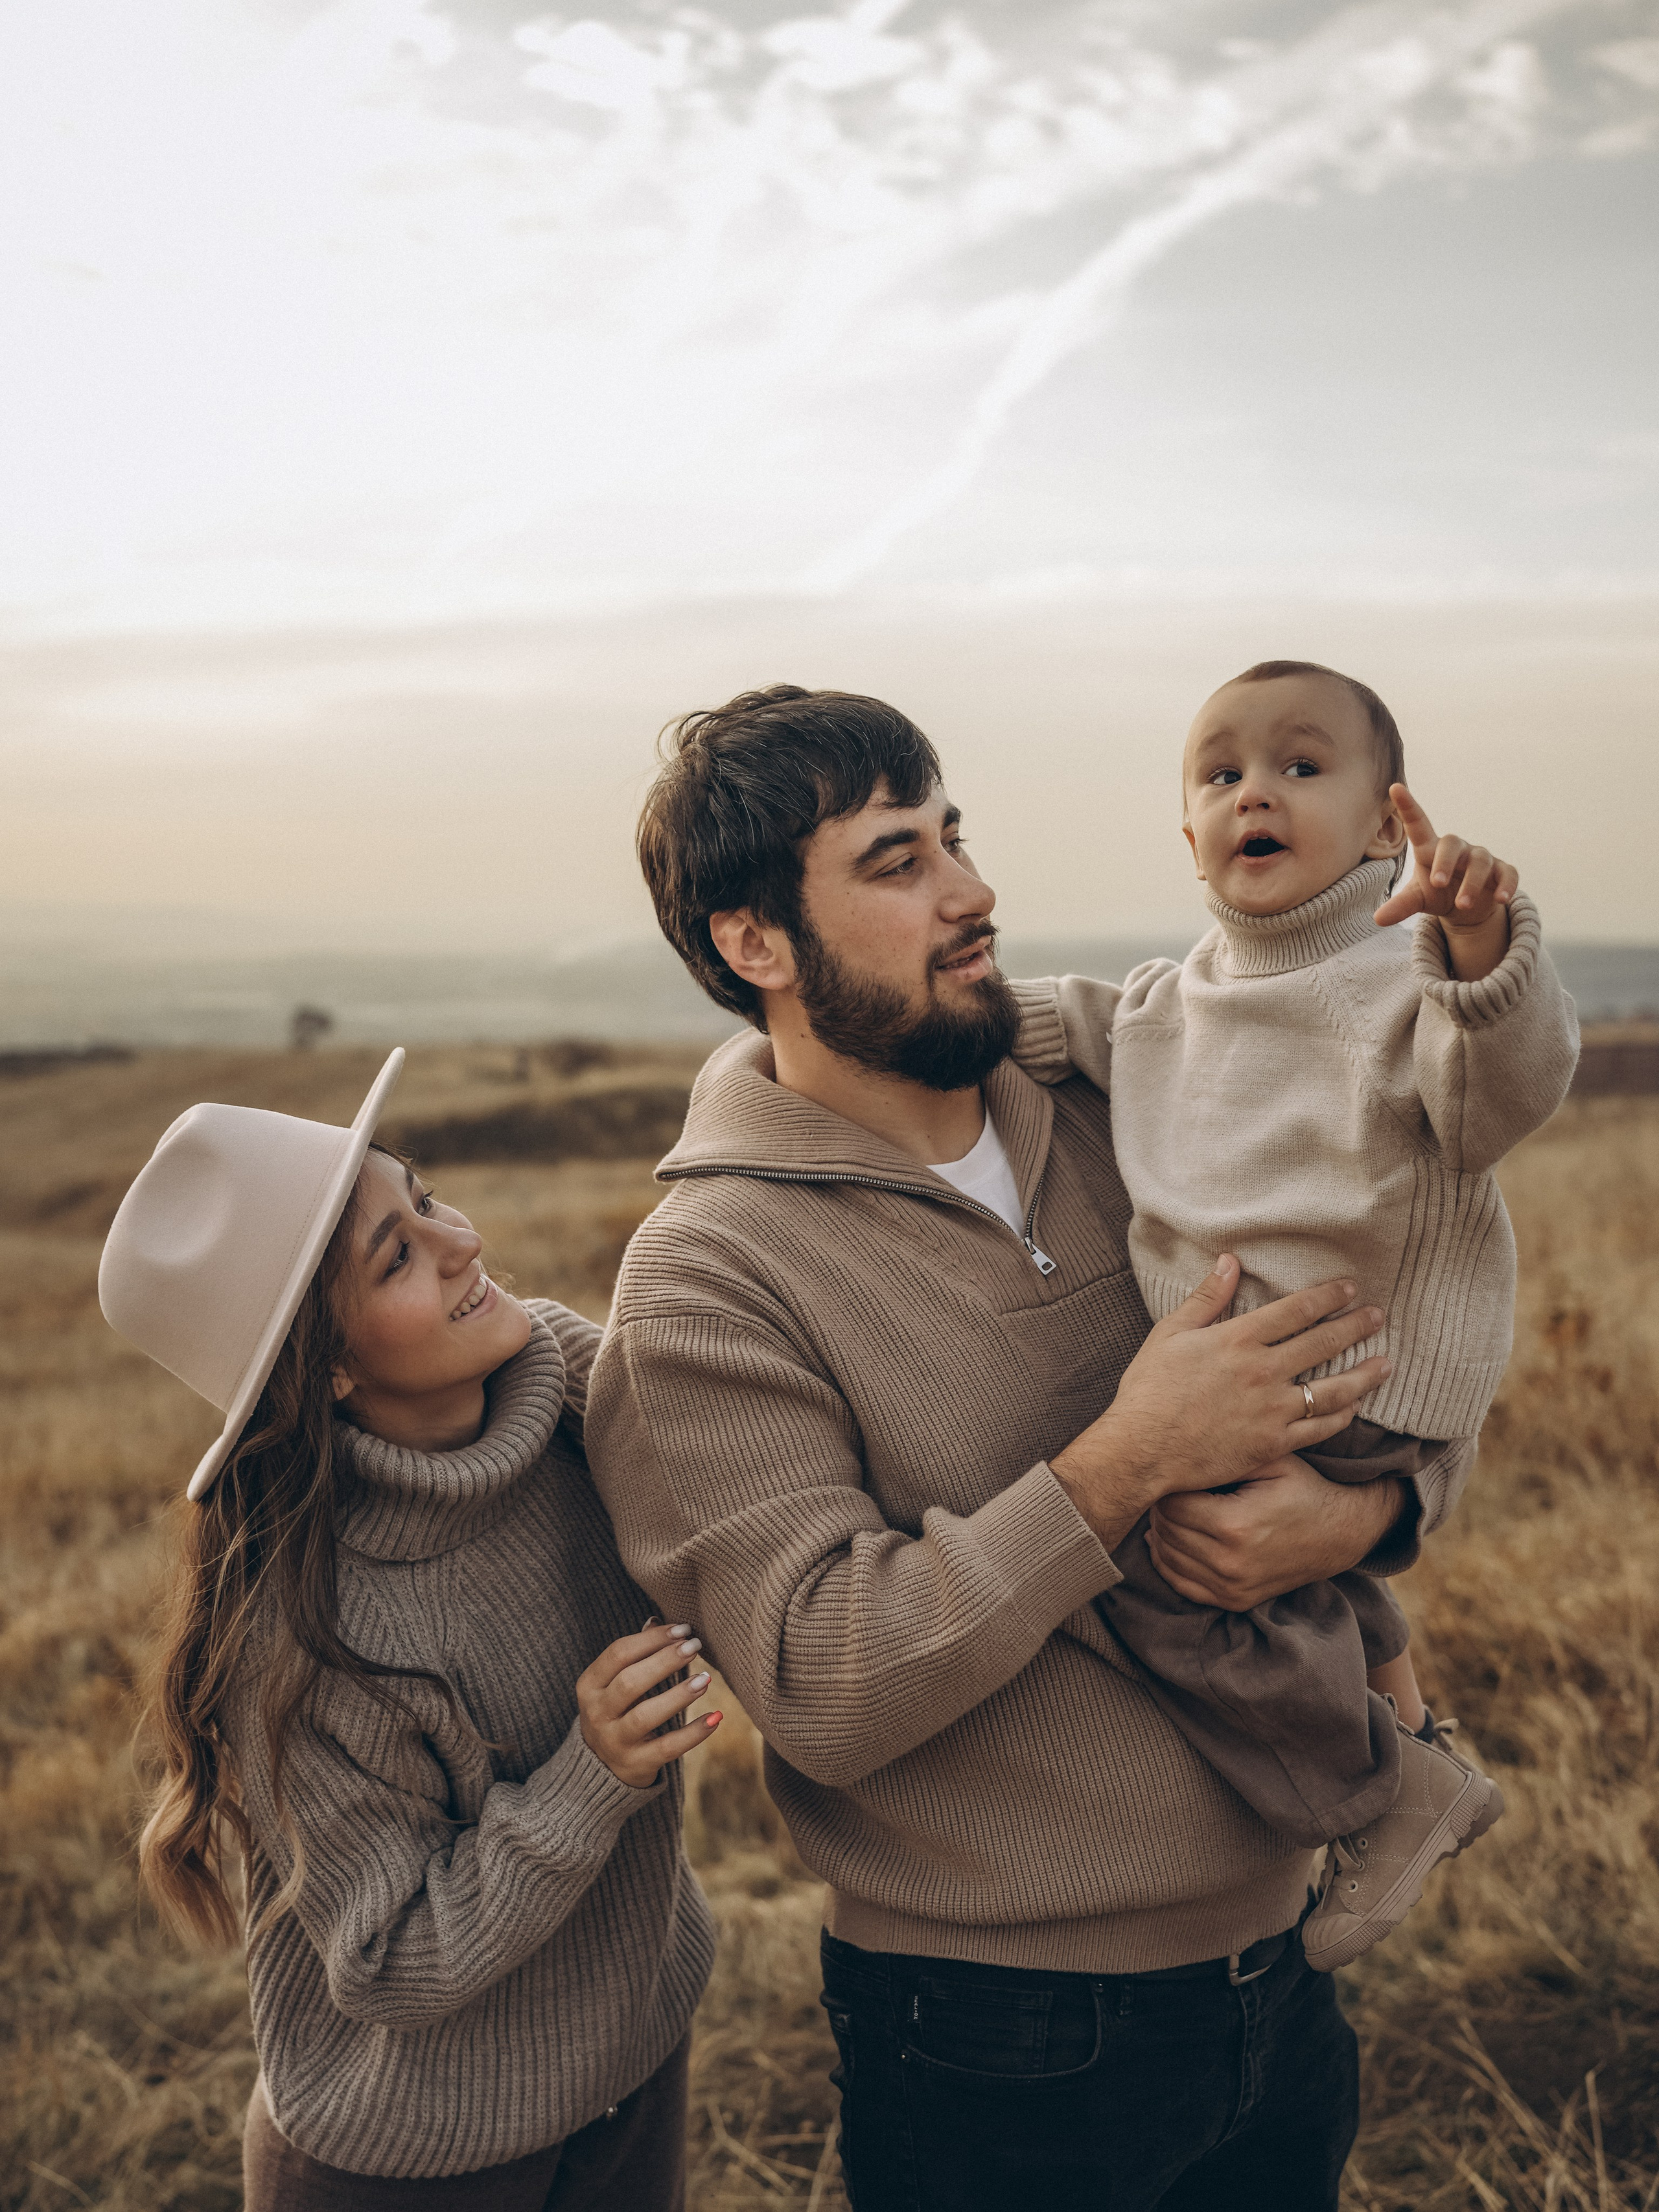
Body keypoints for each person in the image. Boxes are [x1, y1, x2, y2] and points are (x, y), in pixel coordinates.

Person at [586, 685, 1452, 2212]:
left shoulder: (1121, 1089)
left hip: (1285, 1969)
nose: (970, 893)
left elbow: (1390, 1298)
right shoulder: (706, 1274)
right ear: (755, 945)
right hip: (998, 2046)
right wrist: (1117, 1465)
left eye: (955, 839)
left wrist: (1363, 1521)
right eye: (896, 860)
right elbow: (818, 1681)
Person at [1009, 659, 1578, 1972]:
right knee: (1272, 1563)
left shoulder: (1405, 985)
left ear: (1387, 824)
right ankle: (1414, 1743)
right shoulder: (1170, 1000)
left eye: (1297, 767)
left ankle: (1374, 1794)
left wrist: (1481, 952)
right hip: (1259, 1383)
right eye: (1219, 775)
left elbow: (1500, 1089)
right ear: (1188, 832)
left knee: (1165, 1573)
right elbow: (1044, 1021)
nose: (1252, 792)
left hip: (1355, 1377)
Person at [100, 1053, 718, 2211]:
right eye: (398, 1255)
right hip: (415, 2154)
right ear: (324, 1366)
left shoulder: (570, 1379)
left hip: (633, 2066)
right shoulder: (302, 1635)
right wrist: (594, 1776)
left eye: (423, 1199)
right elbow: (388, 1957)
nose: (463, 1243)